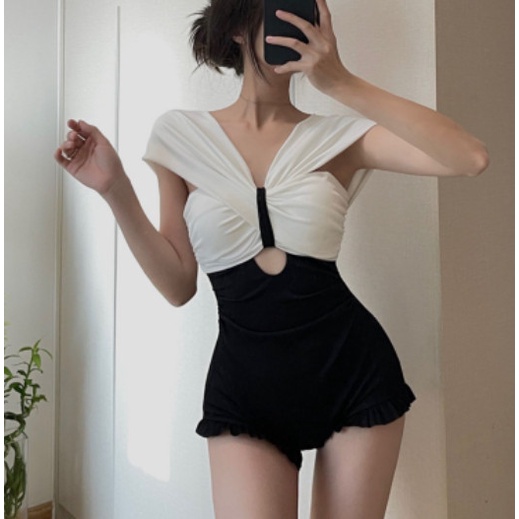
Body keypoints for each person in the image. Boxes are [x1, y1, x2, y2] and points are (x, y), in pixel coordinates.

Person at [54, 0, 489, 517]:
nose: (298, 20)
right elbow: (178, 285)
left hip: (353, 373)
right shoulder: (180, 134)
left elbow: (470, 158)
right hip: (245, 387)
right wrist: (115, 190)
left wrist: (341, 82)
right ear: (239, 28)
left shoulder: (338, 138)